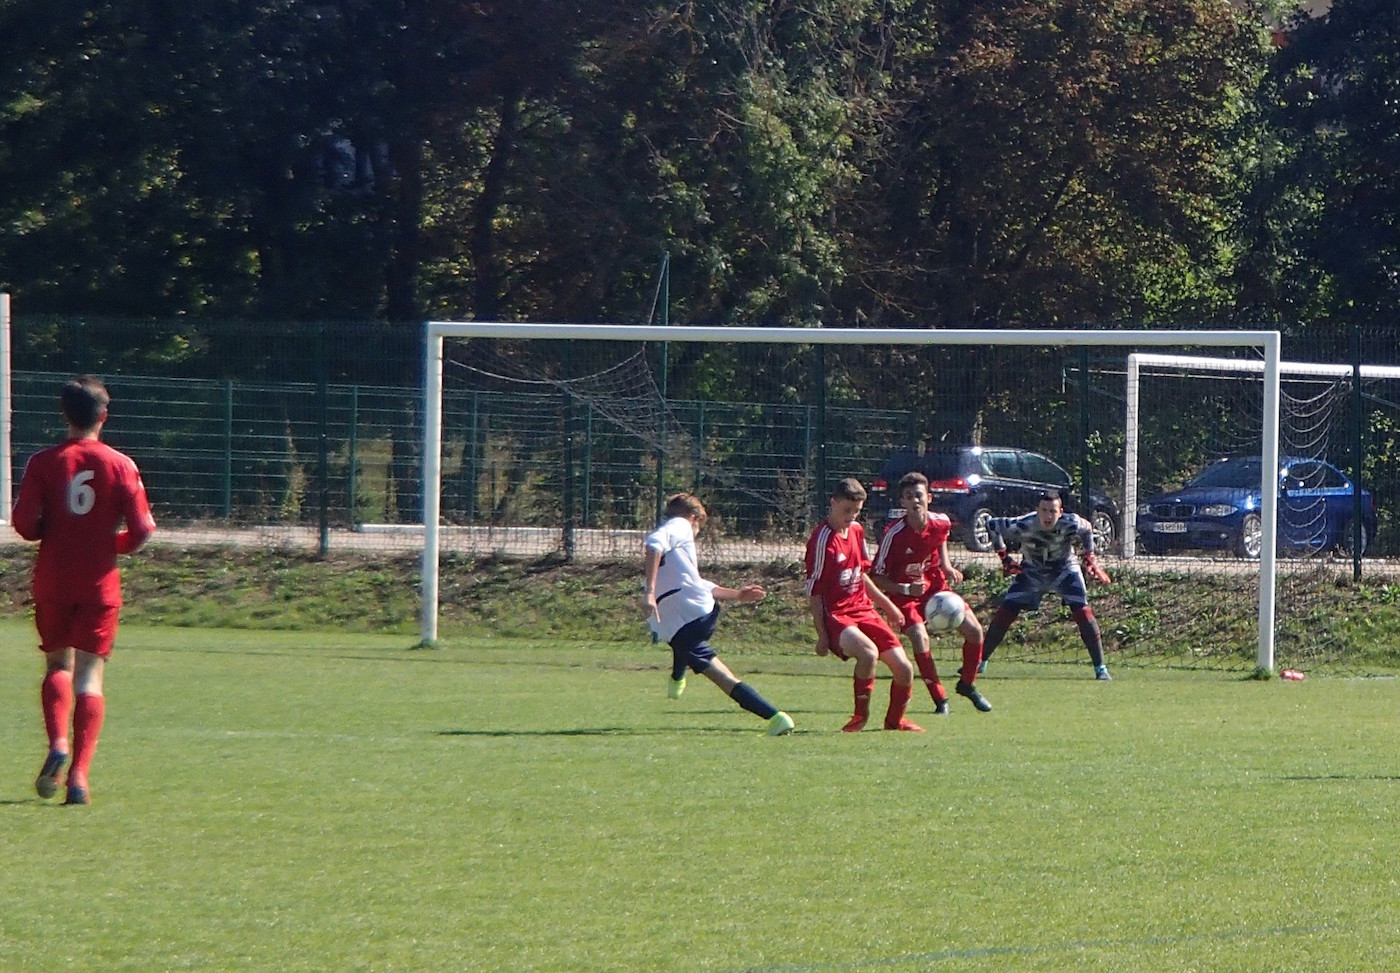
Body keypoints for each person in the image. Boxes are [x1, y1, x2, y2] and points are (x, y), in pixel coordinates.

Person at [11, 376, 157, 805]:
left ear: (65, 414)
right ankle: (78, 777)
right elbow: (143, 529)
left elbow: (23, 524)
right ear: (103, 416)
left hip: (54, 579)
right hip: (99, 584)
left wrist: (48, 530)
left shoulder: (43, 462)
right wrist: (110, 545)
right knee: (90, 676)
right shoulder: (121, 464)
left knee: (58, 663)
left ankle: (58, 742)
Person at [643, 493, 794, 736]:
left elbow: (653, 543)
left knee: (721, 676)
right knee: (681, 643)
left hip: (687, 616)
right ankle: (677, 678)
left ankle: (775, 717)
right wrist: (737, 595)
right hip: (693, 613)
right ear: (694, 517)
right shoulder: (681, 527)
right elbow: (692, 579)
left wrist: (649, 593)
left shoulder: (677, 525)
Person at [804, 478, 923, 732]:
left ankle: (895, 722)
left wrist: (888, 606)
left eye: (856, 512)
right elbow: (814, 592)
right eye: (846, 510)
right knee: (869, 654)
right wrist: (822, 635)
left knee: (904, 668)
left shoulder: (857, 531)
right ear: (833, 503)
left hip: (863, 609)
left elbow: (861, 575)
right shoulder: (822, 540)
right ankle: (860, 717)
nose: (851, 517)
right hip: (837, 615)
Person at [871, 472, 992, 714]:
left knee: (975, 631)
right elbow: (875, 578)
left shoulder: (941, 522)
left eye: (918, 495)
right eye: (908, 497)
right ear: (902, 502)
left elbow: (941, 538)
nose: (914, 501)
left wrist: (945, 566)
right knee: (920, 637)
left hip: (935, 588)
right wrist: (906, 588)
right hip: (905, 596)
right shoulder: (893, 535)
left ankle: (967, 684)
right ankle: (940, 699)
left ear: (929, 497)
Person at [978, 490, 1113, 679]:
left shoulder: (1071, 522)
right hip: (1032, 572)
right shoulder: (1023, 524)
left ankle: (1101, 669)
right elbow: (992, 525)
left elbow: (1088, 529)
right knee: (1006, 610)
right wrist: (1005, 559)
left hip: (1064, 570)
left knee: (1082, 611)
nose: (1048, 516)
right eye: (1044, 510)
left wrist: (1090, 558)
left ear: (1061, 512)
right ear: (1037, 510)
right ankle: (980, 662)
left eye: (1052, 511)